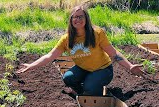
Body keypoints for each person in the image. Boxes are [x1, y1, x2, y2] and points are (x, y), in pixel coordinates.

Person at [16, 5, 145, 96]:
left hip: (103, 69)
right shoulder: (66, 39)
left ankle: (92, 88)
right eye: (74, 17)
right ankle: (86, 90)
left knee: (90, 87)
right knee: (68, 78)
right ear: (71, 20)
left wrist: (130, 66)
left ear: (86, 19)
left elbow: (113, 53)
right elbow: (50, 56)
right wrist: (31, 66)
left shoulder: (97, 33)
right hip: (84, 69)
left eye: (80, 17)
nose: (77, 19)